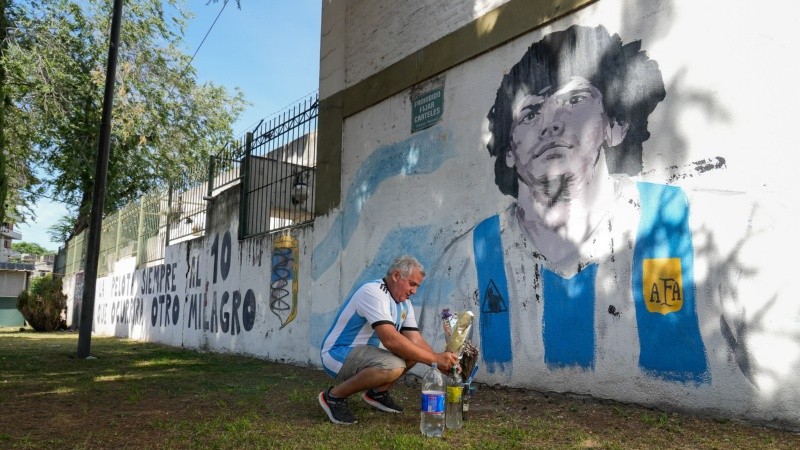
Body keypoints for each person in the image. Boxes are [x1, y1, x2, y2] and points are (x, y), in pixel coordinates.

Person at [421, 25, 709, 386]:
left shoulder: (685, 226)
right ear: (509, 151)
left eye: (574, 100)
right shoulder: (465, 262)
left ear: (614, 125)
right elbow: (436, 375)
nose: (551, 124)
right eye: (529, 113)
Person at [319, 255, 459, 425]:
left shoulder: (403, 303)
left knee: (414, 353)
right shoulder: (373, 292)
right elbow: (390, 340)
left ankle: (377, 393)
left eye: (417, 286)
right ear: (395, 275)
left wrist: (439, 361)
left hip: (362, 354)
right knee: (393, 365)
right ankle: (333, 397)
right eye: (412, 284)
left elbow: (414, 340)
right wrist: (435, 359)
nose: (414, 291)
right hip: (337, 353)